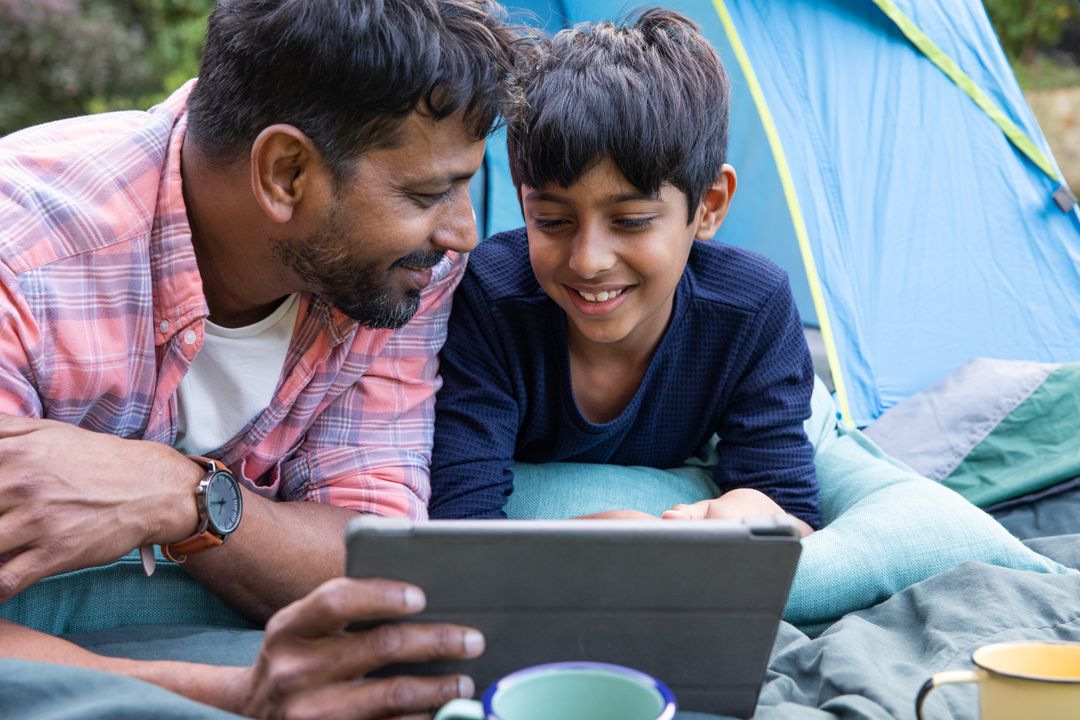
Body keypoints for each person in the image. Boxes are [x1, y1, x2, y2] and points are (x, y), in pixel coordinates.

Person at [0, 0, 523, 715]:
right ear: (284, 173)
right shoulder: (23, 257)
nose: (465, 232)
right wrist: (234, 694)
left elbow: (372, 555)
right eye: (429, 192)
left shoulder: (402, 274)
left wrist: (179, 495)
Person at [429, 8, 820, 535]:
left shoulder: (751, 306)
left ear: (708, 206)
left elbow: (793, 516)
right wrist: (582, 547)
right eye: (551, 220)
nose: (588, 260)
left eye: (631, 221)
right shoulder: (490, 300)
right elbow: (458, 522)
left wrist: (759, 508)